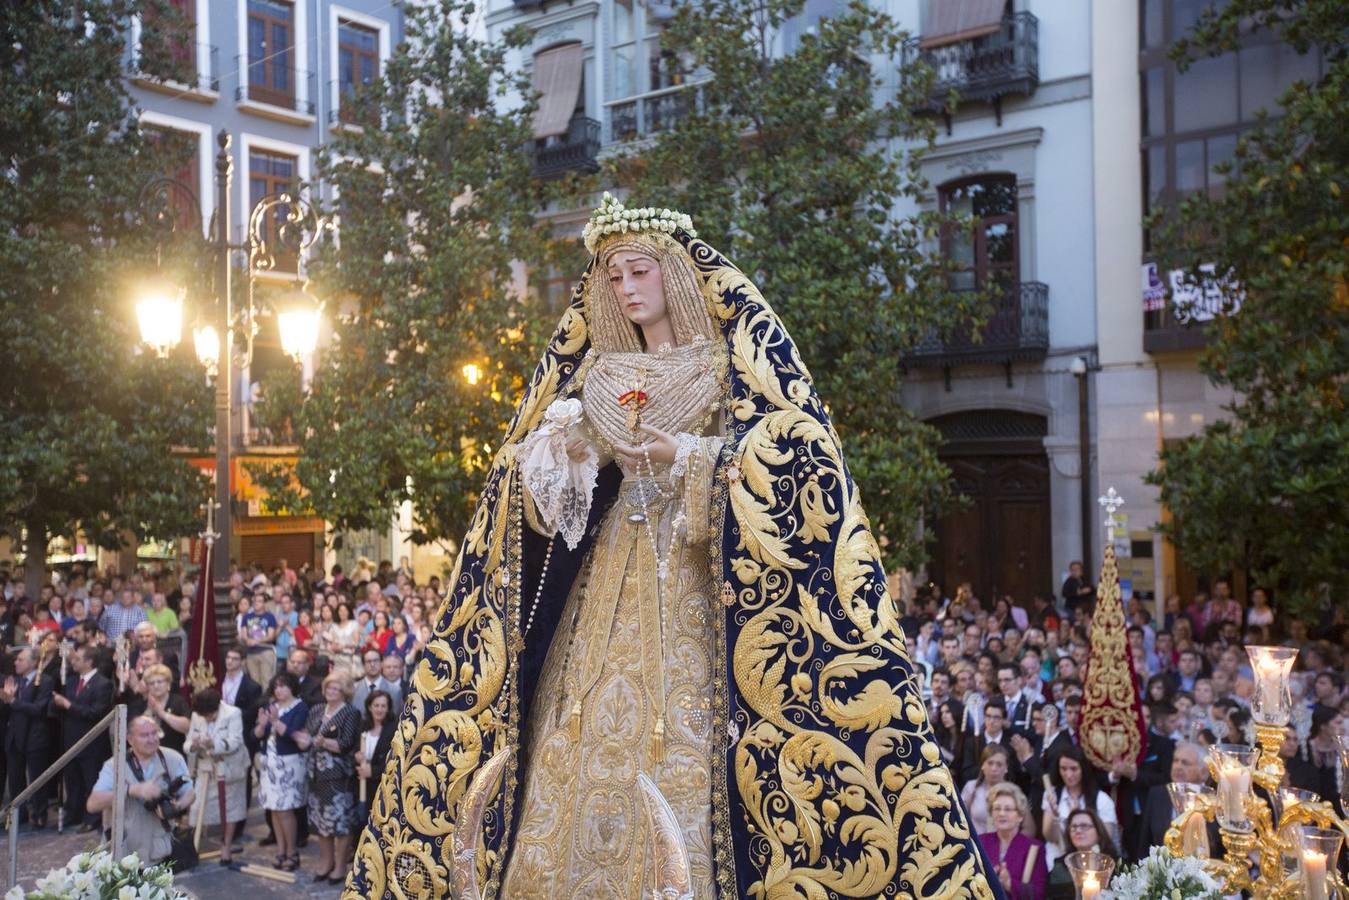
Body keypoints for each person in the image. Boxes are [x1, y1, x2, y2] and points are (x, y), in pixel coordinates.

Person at [347, 197, 1000, 896]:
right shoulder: (594, 376)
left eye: (639, 271)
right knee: (573, 724)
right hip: (602, 579)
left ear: (676, 275)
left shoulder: (726, 367)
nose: (627, 288)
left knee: (682, 740)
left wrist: (690, 458)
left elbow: (786, 466)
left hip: (687, 577)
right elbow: (543, 506)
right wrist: (556, 457)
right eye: (614, 277)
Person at [87, 715, 195, 865]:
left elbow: (190, 793)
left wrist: (176, 807)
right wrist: (130, 790)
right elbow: (92, 804)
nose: (152, 739)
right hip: (123, 854)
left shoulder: (172, 758)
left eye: (154, 733)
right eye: (144, 735)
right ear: (130, 739)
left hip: (159, 852)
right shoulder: (114, 765)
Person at [295, 673, 360, 884]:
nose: (330, 692)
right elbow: (307, 735)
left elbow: (346, 744)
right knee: (321, 822)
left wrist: (322, 742)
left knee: (341, 823)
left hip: (339, 776)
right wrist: (304, 739)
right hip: (315, 774)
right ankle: (326, 861)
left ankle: (340, 866)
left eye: (336, 689)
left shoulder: (350, 712)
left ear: (345, 692)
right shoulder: (316, 709)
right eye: (328, 688)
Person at [51, 644, 115, 832]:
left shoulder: (102, 684)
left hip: (91, 742)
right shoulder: (71, 681)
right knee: (73, 780)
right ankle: (73, 812)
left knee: (91, 780)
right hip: (71, 739)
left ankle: (93, 817)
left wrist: (68, 705)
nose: (73, 661)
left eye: (78, 659)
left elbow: (95, 713)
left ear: (89, 661)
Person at [185, 689, 248, 865]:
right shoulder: (197, 716)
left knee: (230, 808)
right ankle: (194, 844)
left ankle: (226, 846)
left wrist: (213, 743)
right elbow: (188, 742)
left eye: (209, 715)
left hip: (229, 767)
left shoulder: (233, 713)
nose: (207, 719)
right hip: (206, 768)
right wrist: (194, 745)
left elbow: (235, 741)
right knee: (197, 806)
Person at [254, 671, 309, 871]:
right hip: (269, 764)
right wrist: (262, 725)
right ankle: (281, 850)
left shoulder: (300, 707)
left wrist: (276, 721)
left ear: (292, 687)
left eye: (283, 686)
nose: (279, 690)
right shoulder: (271, 706)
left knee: (285, 810)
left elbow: (292, 734)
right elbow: (256, 735)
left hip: (289, 764)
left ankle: (293, 852)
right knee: (274, 810)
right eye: (276, 686)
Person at [1, 647, 55, 828]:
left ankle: (40, 815)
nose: (16, 662)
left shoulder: (45, 681)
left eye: (20, 660)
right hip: (15, 736)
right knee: (15, 781)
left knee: (37, 778)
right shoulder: (14, 681)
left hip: (35, 737)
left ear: (33, 663)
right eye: (16, 659)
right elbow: (8, 709)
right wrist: (6, 699)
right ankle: (19, 814)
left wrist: (13, 701)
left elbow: (38, 709)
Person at [1042, 747, 1119, 867]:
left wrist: (1073, 821)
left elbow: (1105, 839)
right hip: (1057, 862)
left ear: (1083, 768)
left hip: (1092, 863)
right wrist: (1054, 816)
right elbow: (1049, 837)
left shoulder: (1102, 800)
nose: (1068, 775)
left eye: (1074, 769)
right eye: (1063, 769)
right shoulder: (1052, 794)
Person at [980, 782, 1047, 900]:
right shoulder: (981, 842)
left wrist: (1010, 884)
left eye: (1008, 809)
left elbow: (1039, 893)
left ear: (1020, 816)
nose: (1002, 813)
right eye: (997, 808)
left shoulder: (1034, 848)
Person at [1045, 808, 1118, 899]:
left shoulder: (1115, 864)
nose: (1078, 830)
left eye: (1084, 826)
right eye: (1073, 827)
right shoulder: (1061, 865)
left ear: (1098, 831)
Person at [129, 664, 191, 754]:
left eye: (160, 682)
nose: (156, 686)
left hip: (174, 753)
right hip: (145, 754)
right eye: (152, 683)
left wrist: (162, 713)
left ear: (168, 683)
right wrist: (148, 712)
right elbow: (133, 731)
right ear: (147, 686)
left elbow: (186, 727)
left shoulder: (178, 701)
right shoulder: (139, 704)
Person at [355, 689, 396, 816]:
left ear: (388, 709)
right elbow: (354, 750)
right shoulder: (363, 726)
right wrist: (356, 757)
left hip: (383, 787)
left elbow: (395, 760)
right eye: (376, 705)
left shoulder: (394, 729)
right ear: (369, 707)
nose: (379, 709)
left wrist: (373, 771)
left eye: (383, 706)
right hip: (362, 787)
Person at [962, 744, 1014, 837]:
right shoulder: (971, 788)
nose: (994, 768)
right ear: (982, 765)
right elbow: (960, 819)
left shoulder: (1013, 792)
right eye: (990, 763)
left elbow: (1028, 828)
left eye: (999, 764)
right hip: (976, 842)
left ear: (1006, 767)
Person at [240, 592, 278, 687]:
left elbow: (271, 636)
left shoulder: (270, 617)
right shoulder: (247, 617)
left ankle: (266, 697)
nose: (256, 603)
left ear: (264, 603)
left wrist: (256, 641)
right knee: (254, 682)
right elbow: (243, 634)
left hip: (266, 650)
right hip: (251, 652)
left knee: (266, 680)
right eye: (255, 601)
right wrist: (247, 640)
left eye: (260, 601)